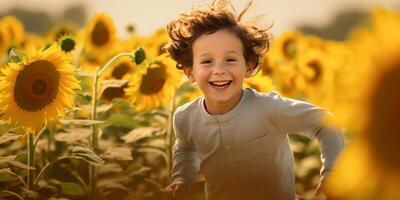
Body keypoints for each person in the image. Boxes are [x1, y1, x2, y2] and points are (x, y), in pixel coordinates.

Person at [163, 0, 345, 199]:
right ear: (190, 72)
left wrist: (331, 173)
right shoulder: (185, 118)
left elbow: (325, 123)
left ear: (248, 66)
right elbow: (186, 149)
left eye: (230, 59)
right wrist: (181, 179)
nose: (219, 70)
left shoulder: (269, 109)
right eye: (207, 61)